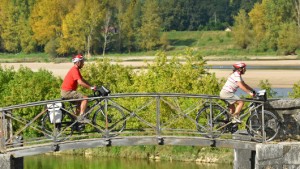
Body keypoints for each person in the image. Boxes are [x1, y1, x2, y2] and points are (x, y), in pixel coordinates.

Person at [61, 54, 96, 121]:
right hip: (67, 92)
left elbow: (83, 80)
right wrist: (90, 88)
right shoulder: (74, 70)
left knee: (79, 103)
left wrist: (91, 86)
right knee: (85, 98)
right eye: (82, 62)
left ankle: (76, 120)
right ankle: (81, 116)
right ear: (78, 62)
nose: (83, 64)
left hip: (67, 91)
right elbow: (80, 82)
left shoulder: (76, 70)